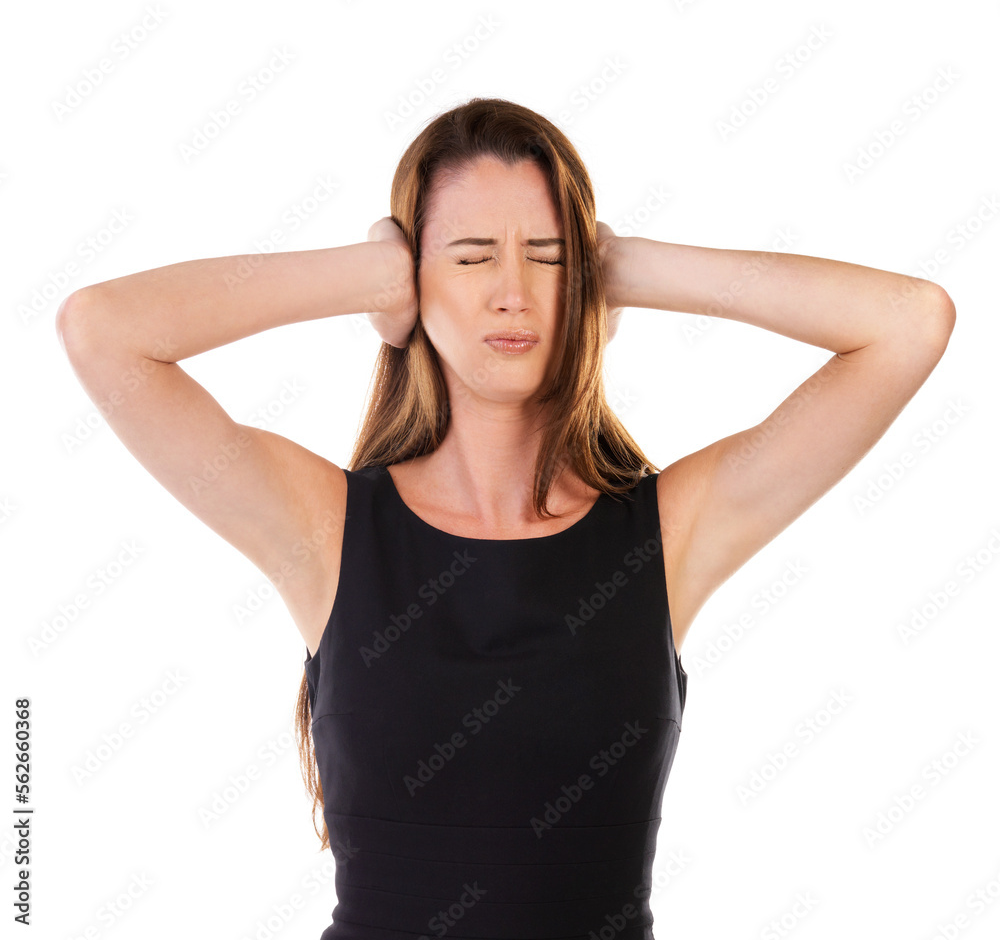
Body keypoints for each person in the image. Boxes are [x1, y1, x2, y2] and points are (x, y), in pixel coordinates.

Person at [55, 96, 956, 939]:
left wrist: (626, 267)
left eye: (549, 256)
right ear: (416, 274)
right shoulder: (323, 527)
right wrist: (367, 276)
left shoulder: (668, 532)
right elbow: (103, 329)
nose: (514, 293)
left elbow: (909, 322)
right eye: (473, 255)